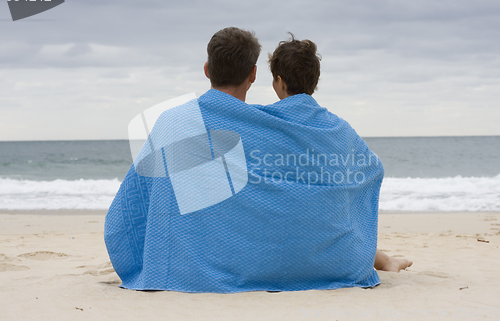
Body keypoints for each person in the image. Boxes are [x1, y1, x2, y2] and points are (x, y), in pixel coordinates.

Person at [105, 27, 407, 293]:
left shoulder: (174, 122)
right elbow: (369, 171)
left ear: (207, 69)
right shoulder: (277, 125)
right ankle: (380, 257)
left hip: (211, 257)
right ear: (252, 74)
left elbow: (133, 205)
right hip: (325, 258)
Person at [268, 34, 412, 272]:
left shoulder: (264, 122)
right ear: (314, 81)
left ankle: (387, 260)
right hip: (329, 237)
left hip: (282, 235)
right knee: (330, 218)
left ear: (280, 82)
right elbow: (374, 169)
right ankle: (387, 261)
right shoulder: (338, 129)